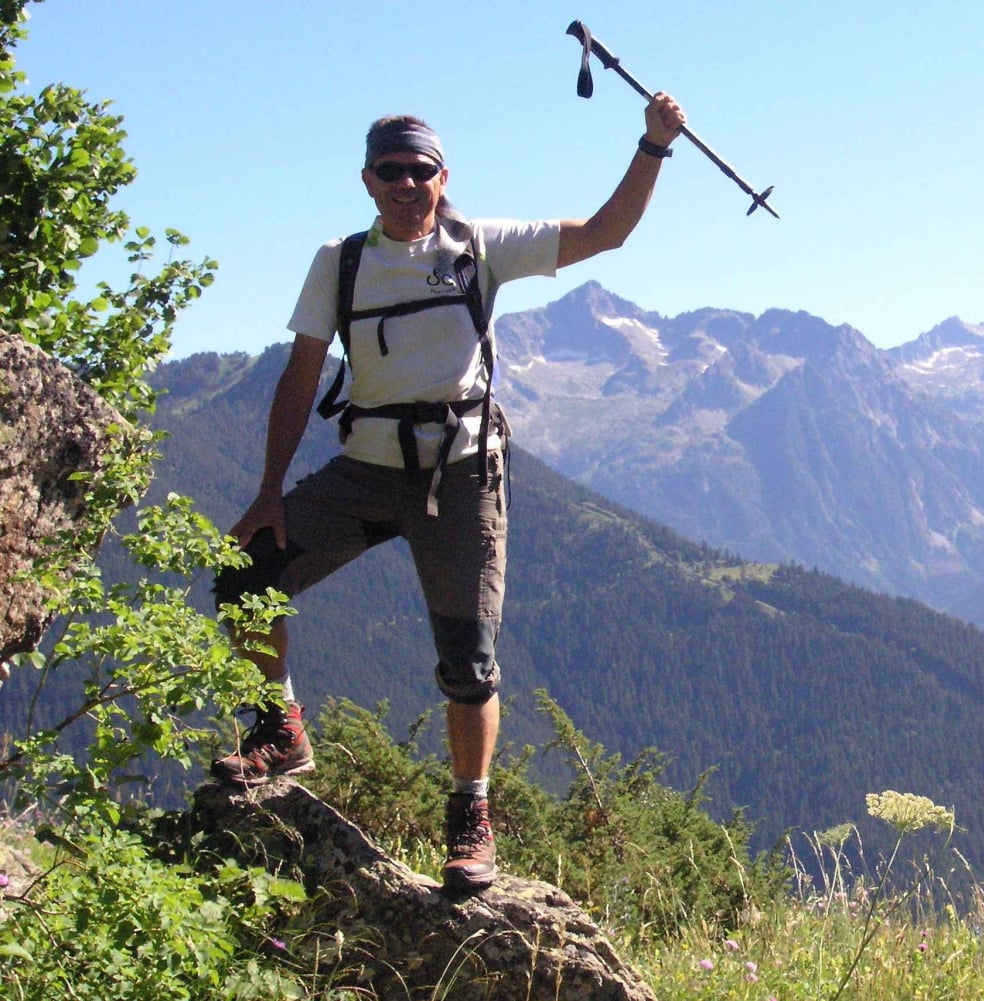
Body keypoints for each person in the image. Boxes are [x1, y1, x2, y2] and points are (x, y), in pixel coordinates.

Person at [211, 93, 686, 893]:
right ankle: (281, 728)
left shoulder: (481, 247)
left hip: (462, 475)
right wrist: (267, 491)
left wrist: (652, 146)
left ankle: (472, 815)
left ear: (442, 176)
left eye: (418, 169)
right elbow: (299, 377)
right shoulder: (341, 261)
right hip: (364, 471)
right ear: (367, 181)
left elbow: (607, 233)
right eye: (390, 171)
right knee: (244, 576)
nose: (404, 183)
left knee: (469, 661)